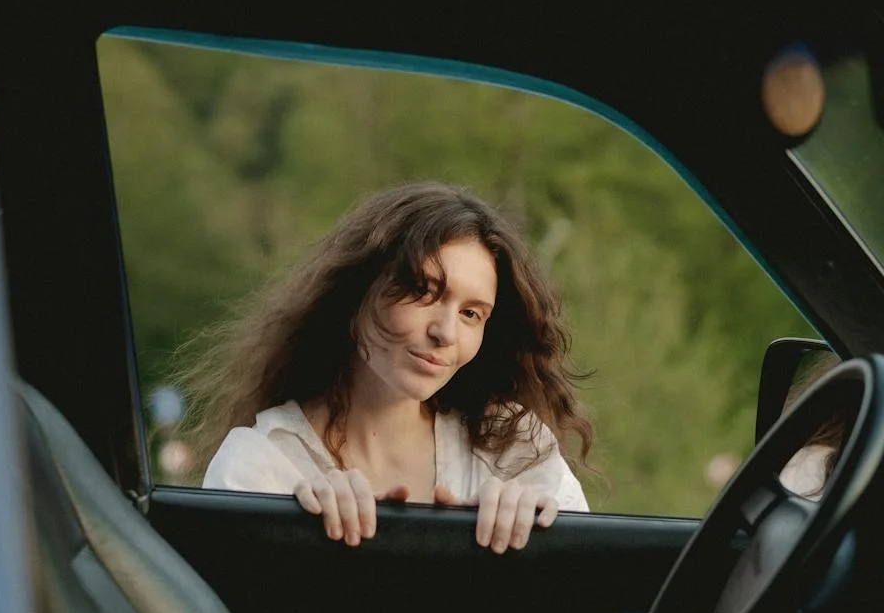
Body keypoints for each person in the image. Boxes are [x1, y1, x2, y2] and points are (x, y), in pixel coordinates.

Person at [174, 182, 593, 552]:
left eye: (471, 313)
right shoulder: (262, 465)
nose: (445, 332)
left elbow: (593, 609)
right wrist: (305, 541)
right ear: (356, 294)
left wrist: (533, 548)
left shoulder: (513, 450)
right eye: (422, 291)